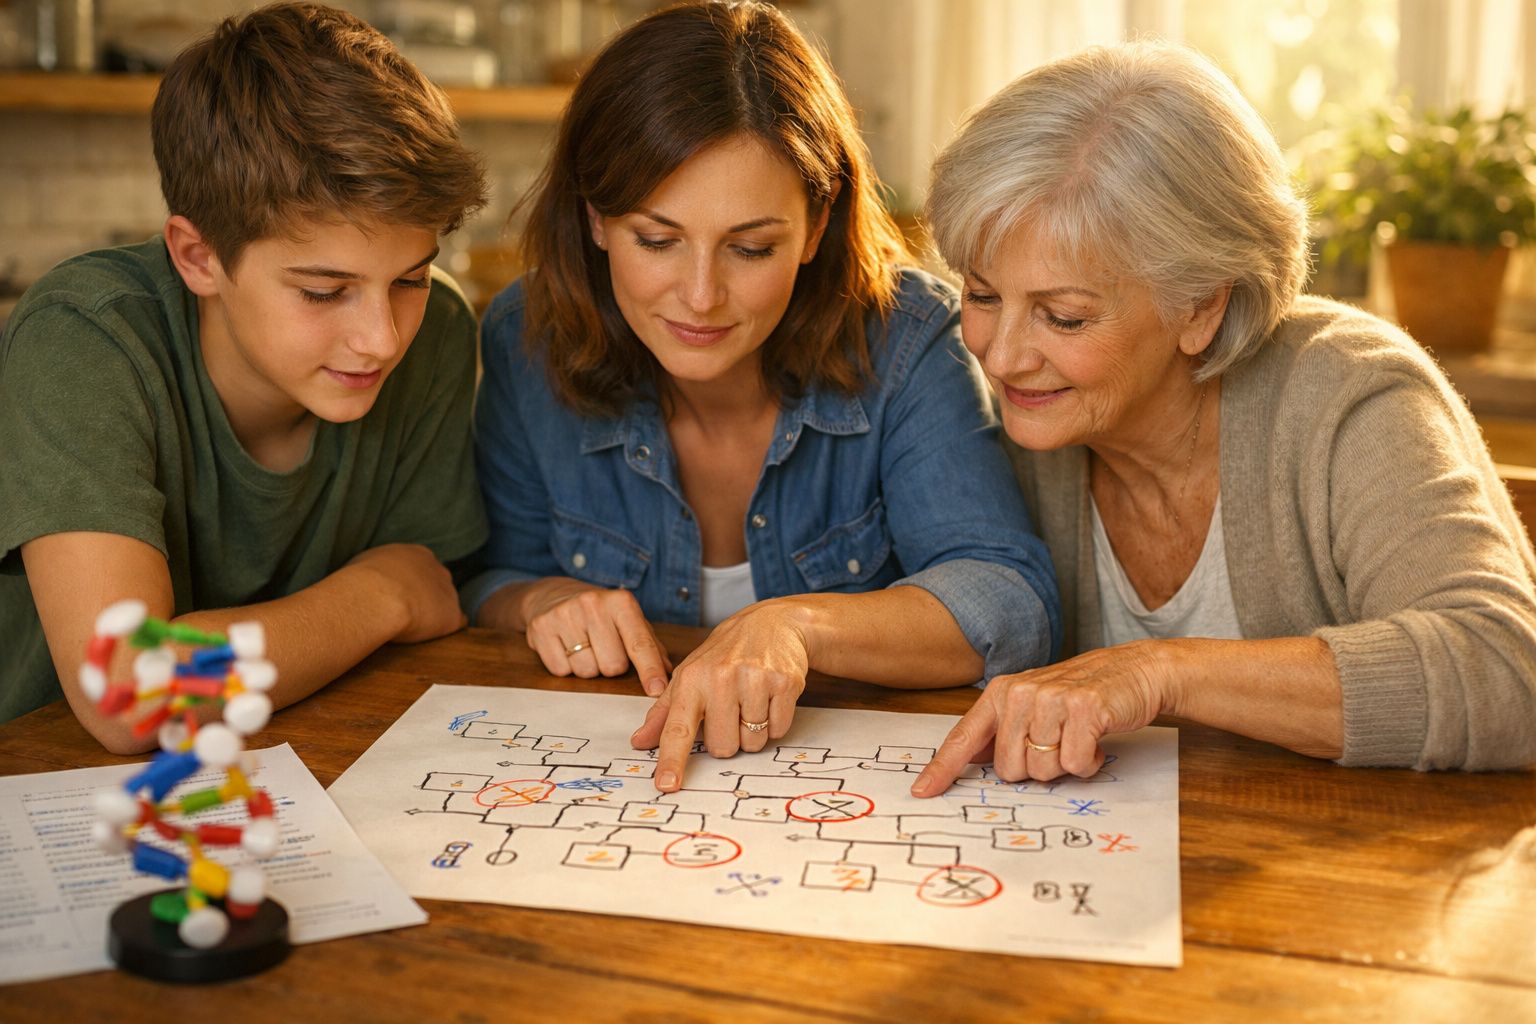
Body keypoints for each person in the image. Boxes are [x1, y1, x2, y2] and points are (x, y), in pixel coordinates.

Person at [911, 41, 1536, 794]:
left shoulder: (1347, 393)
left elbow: (1509, 671)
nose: (1002, 356)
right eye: (981, 296)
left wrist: (1159, 674)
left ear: (1203, 304)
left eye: (1064, 317)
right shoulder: (1001, 419)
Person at [467, 1, 1061, 794]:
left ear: (816, 227)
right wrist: (544, 598)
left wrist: (792, 626)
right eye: (657, 239)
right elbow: (486, 575)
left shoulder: (908, 338)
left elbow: (1008, 598)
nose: (701, 296)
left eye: (751, 248)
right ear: (596, 218)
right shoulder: (524, 335)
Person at [0, 2, 489, 752]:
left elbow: (444, 602)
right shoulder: (86, 335)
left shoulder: (440, 329)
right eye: (323, 292)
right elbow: (130, 693)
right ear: (198, 258)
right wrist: (381, 594)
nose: (382, 339)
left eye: (411, 279)